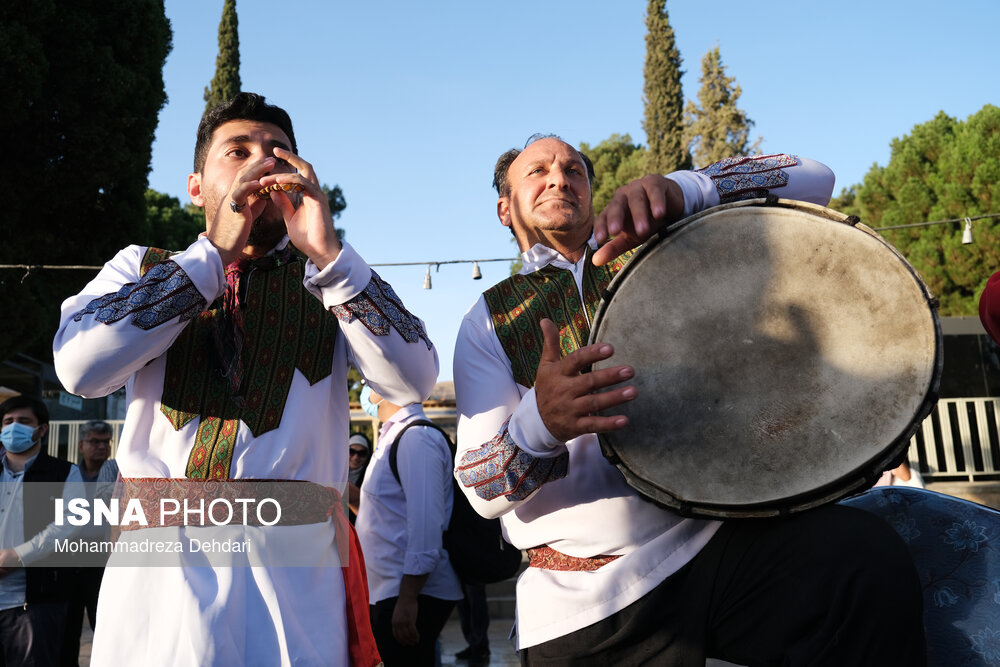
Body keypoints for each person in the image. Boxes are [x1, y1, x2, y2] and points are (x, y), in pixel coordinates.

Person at [452, 135, 926, 665]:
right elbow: (479, 490)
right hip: (583, 600)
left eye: (573, 170)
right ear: (504, 207)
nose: (559, 178)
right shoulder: (488, 321)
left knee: (863, 560)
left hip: (716, 548)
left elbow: (817, 179)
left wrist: (688, 189)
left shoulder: (663, 246)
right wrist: (540, 423)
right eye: (537, 171)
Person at [53, 92, 438, 667]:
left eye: (279, 152)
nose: (263, 164)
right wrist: (212, 256)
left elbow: (414, 381)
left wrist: (330, 257)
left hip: (296, 575)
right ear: (195, 185)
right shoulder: (141, 265)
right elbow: (79, 366)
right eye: (238, 152)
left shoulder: (331, 280)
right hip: (162, 577)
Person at [355, 387, 462, 666]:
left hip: (408, 593)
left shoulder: (417, 438)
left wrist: (408, 597)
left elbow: (426, 525)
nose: (367, 388)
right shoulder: (394, 435)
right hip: (391, 591)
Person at [0, 395, 81, 666]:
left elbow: (69, 523)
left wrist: (18, 555)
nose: (14, 428)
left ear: (42, 429)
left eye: (24, 421)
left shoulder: (64, 473)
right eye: (8, 422)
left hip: (35, 603)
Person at [60, 420, 117, 667]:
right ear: (81, 445)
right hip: (69, 559)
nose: (102, 447)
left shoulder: (117, 473)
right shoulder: (67, 474)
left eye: (106, 442)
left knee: (104, 626)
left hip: (101, 560)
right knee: (67, 631)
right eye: (95, 441)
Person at [347, 432, 372, 524]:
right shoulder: (334, 472)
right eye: (351, 452)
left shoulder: (371, 478)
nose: (356, 457)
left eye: (362, 453)